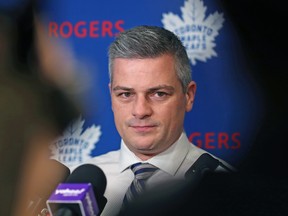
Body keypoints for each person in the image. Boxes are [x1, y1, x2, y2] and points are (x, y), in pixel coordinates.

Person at [78, 25, 234, 216]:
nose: (140, 110)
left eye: (159, 94)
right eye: (126, 94)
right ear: (111, 96)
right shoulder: (78, 187)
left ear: (188, 96)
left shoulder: (227, 187)